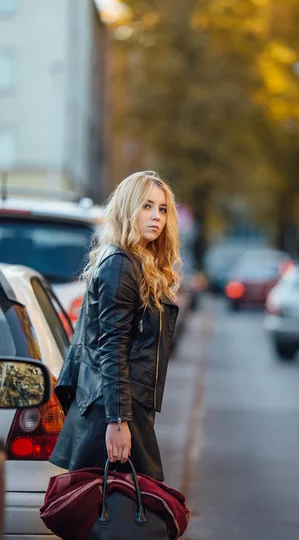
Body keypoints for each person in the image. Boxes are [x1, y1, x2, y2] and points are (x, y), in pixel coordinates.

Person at [50, 171, 181, 481]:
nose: (156, 217)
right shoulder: (121, 264)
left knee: (119, 513)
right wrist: (118, 421)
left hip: (118, 405)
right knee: (131, 515)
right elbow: (112, 348)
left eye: (162, 209)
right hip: (116, 410)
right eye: (146, 206)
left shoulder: (133, 261)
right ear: (127, 209)